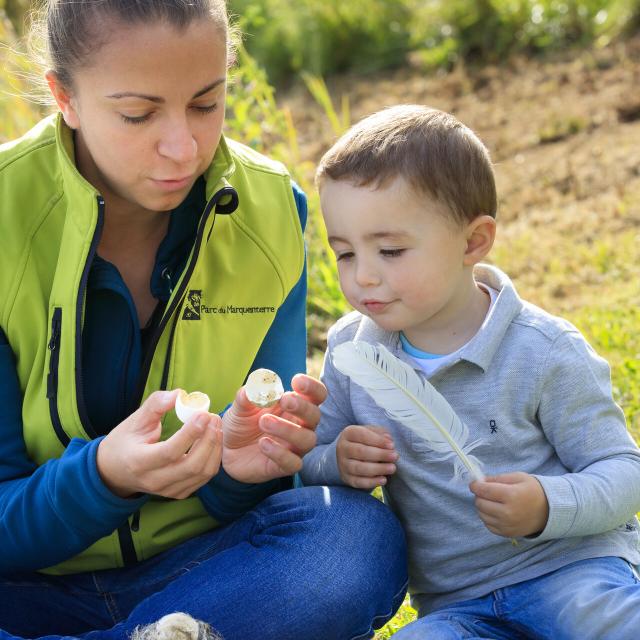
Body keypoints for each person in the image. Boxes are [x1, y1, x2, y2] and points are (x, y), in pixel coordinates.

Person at [0, 2, 408, 639]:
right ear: (64, 97)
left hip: (203, 574)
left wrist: (243, 472)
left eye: (206, 103)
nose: (182, 148)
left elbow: (264, 473)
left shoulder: (271, 209)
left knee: (354, 538)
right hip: (22, 587)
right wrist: (102, 476)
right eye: (138, 114)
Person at [300, 104, 640, 639]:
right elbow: (308, 462)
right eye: (343, 254)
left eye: (390, 250)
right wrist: (335, 462)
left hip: (573, 573)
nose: (363, 276)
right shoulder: (353, 352)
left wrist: (547, 505)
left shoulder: (543, 351)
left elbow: (623, 471)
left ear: (473, 241)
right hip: (457, 607)